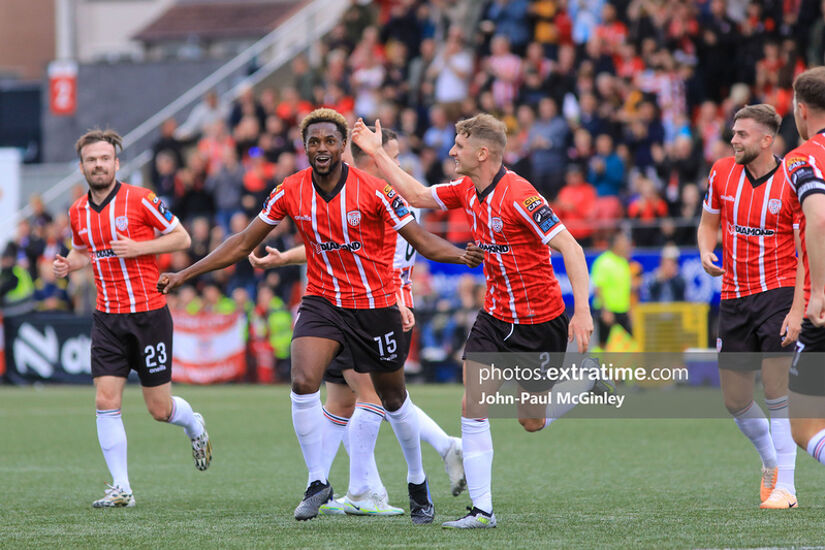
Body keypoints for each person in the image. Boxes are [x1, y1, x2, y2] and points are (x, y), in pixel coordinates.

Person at [156, 108, 483, 523]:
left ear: (343, 147)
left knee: (393, 399)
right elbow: (241, 243)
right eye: (314, 142)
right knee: (302, 379)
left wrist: (461, 254)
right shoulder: (290, 190)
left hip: (375, 305)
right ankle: (318, 482)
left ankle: (417, 481)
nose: (322, 148)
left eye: (330, 141)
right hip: (323, 302)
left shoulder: (377, 191)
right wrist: (185, 273)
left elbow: (421, 240)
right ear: (304, 147)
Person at [351, 114, 597, 529]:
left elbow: (571, 249)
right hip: (495, 317)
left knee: (530, 421)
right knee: (472, 405)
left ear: (482, 153)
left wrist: (584, 311)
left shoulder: (521, 194)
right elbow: (415, 192)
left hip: (541, 322)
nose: (451, 151)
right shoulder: (466, 188)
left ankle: (580, 380)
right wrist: (375, 152)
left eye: (459, 146)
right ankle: (482, 511)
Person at [249, 126, 466, 516]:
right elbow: (331, 239)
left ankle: (383, 484)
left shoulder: (385, 197)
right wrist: (285, 257)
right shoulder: (334, 189)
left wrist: (401, 301)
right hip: (335, 308)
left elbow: (393, 260)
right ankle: (343, 485)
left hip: (383, 308)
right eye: (389, 156)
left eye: (395, 157)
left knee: (379, 397)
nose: (394, 165)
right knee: (341, 400)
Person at [53, 129, 211, 509]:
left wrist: (140, 247)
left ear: (116, 163)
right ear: (82, 167)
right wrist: (67, 264)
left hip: (149, 316)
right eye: (91, 160)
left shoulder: (141, 200)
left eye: (104, 159)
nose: (98, 165)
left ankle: (194, 424)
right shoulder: (77, 212)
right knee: (105, 399)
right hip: (107, 319)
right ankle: (122, 488)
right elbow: (84, 253)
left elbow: (182, 238)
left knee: (160, 409)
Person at [697, 104, 803, 509]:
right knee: (735, 400)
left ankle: (787, 490)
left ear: (766, 139)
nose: (733, 139)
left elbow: (804, 252)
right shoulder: (721, 172)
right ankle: (771, 463)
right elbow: (708, 223)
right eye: (733, 133)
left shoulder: (792, 182)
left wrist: (797, 310)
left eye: (742, 134)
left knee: (777, 391)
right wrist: (706, 251)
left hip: (778, 292)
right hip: (735, 297)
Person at [780, 67, 825, 486]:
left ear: (801, 109)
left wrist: (817, 293)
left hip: (823, 306)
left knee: (805, 427)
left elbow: (818, 217)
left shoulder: (803, 157)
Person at [590, 232, 633, 349]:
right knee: (604, 344)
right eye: (623, 242)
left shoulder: (624, 262)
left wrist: (629, 309)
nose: (626, 245)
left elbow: (626, 289)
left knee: (627, 342)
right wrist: (605, 310)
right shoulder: (604, 262)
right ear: (616, 244)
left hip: (622, 310)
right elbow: (598, 288)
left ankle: (623, 367)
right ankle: (600, 366)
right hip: (608, 311)